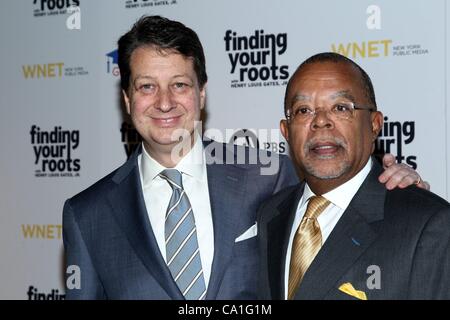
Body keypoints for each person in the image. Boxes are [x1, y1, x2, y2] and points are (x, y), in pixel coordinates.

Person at [63, 16, 427, 300]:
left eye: (180, 84)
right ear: (126, 100)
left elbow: (347, 203)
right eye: (146, 86)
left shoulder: (269, 176)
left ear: (202, 93)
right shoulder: (87, 215)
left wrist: (398, 188)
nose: (164, 102)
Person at [257, 52, 450, 300]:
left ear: (374, 124)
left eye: (340, 108)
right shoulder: (271, 215)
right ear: (286, 130)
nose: (321, 121)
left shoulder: (427, 224)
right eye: (303, 110)